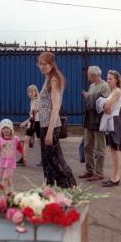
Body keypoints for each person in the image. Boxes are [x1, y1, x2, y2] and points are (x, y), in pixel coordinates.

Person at [37, 52, 76, 188]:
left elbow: (56, 106)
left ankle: (69, 187)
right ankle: (51, 187)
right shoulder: (48, 79)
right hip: (44, 124)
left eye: (44, 64)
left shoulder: (54, 80)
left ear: (51, 65)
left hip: (50, 126)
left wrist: (49, 131)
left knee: (55, 160)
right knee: (47, 160)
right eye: (40, 64)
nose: (41, 66)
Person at [78, 66, 111, 181]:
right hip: (89, 119)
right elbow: (91, 103)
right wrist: (87, 97)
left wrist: (89, 96)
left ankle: (99, 172)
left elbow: (105, 102)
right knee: (87, 146)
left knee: (100, 147)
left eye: (89, 75)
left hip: (99, 120)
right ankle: (89, 170)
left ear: (94, 75)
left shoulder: (105, 86)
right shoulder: (92, 86)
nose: (87, 77)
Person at [100, 70, 121, 187]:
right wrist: (105, 107)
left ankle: (116, 177)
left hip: (114, 121)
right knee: (112, 149)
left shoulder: (117, 91)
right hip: (111, 120)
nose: (108, 81)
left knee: (115, 149)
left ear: (116, 80)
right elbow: (106, 107)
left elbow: (106, 106)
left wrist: (103, 106)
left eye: (110, 79)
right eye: (107, 78)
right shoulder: (112, 91)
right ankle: (114, 176)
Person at [0, 119, 24, 193]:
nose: (6, 130)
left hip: (11, 163)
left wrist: (24, 156)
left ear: (11, 129)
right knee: (6, 178)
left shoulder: (15, 139)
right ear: (1, 130)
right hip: (2, 163)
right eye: (3, 128)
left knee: (5, 179)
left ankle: (2, 192)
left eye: (7, 128)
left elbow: (20, 148)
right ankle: (12, 189)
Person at [17, 84, 41, 167]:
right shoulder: (32, 101)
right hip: (32, 122)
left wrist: (35, 111)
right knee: (26, 140)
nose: (30, 93)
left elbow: (40, 111)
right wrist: (25, 122)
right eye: (29, 92)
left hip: (38, 122)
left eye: (32, 92)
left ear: (35, 92)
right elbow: (31, 115)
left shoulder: (38, 100)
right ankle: (23, 159)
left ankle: (44, 159)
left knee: (40, 141)